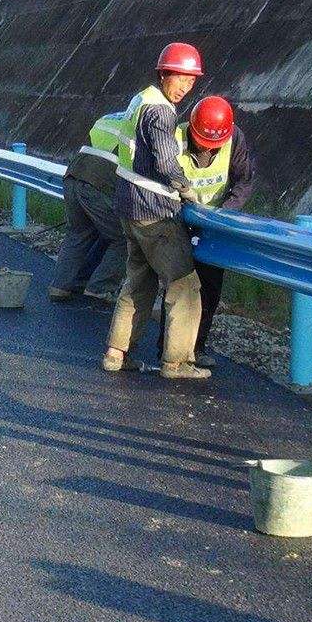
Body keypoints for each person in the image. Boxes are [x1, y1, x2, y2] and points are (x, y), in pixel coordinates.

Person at [102, 42, 208, 381]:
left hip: (128, 207)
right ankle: (177, 363)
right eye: (180, 79)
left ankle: (116, 353)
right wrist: (187, 189)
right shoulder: (162, 112)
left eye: (191, 82)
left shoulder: (140, 99)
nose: (184, 88)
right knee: (184, 284)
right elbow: (164, 161)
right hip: (154, 212)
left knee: (139, 280)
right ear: (164, 74)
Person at [156, 95, 255, 367]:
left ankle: (196, 349)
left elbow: (243, 182)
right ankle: (168, 347)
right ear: (192, 127)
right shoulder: (175, 138)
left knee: (209, 288)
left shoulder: (233, 137)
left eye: (214, 145)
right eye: (202, 143)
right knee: (178, 284)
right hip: (179, 217)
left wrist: (223, 213)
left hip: (214, 222)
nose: (208, 149)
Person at [48, 112, 128, 302]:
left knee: (78, 232)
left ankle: (60, 286)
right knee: (124, 238)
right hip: (98, 183)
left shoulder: (110, 117)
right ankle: (100, 288)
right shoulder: (144, 125)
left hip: (74, 174)